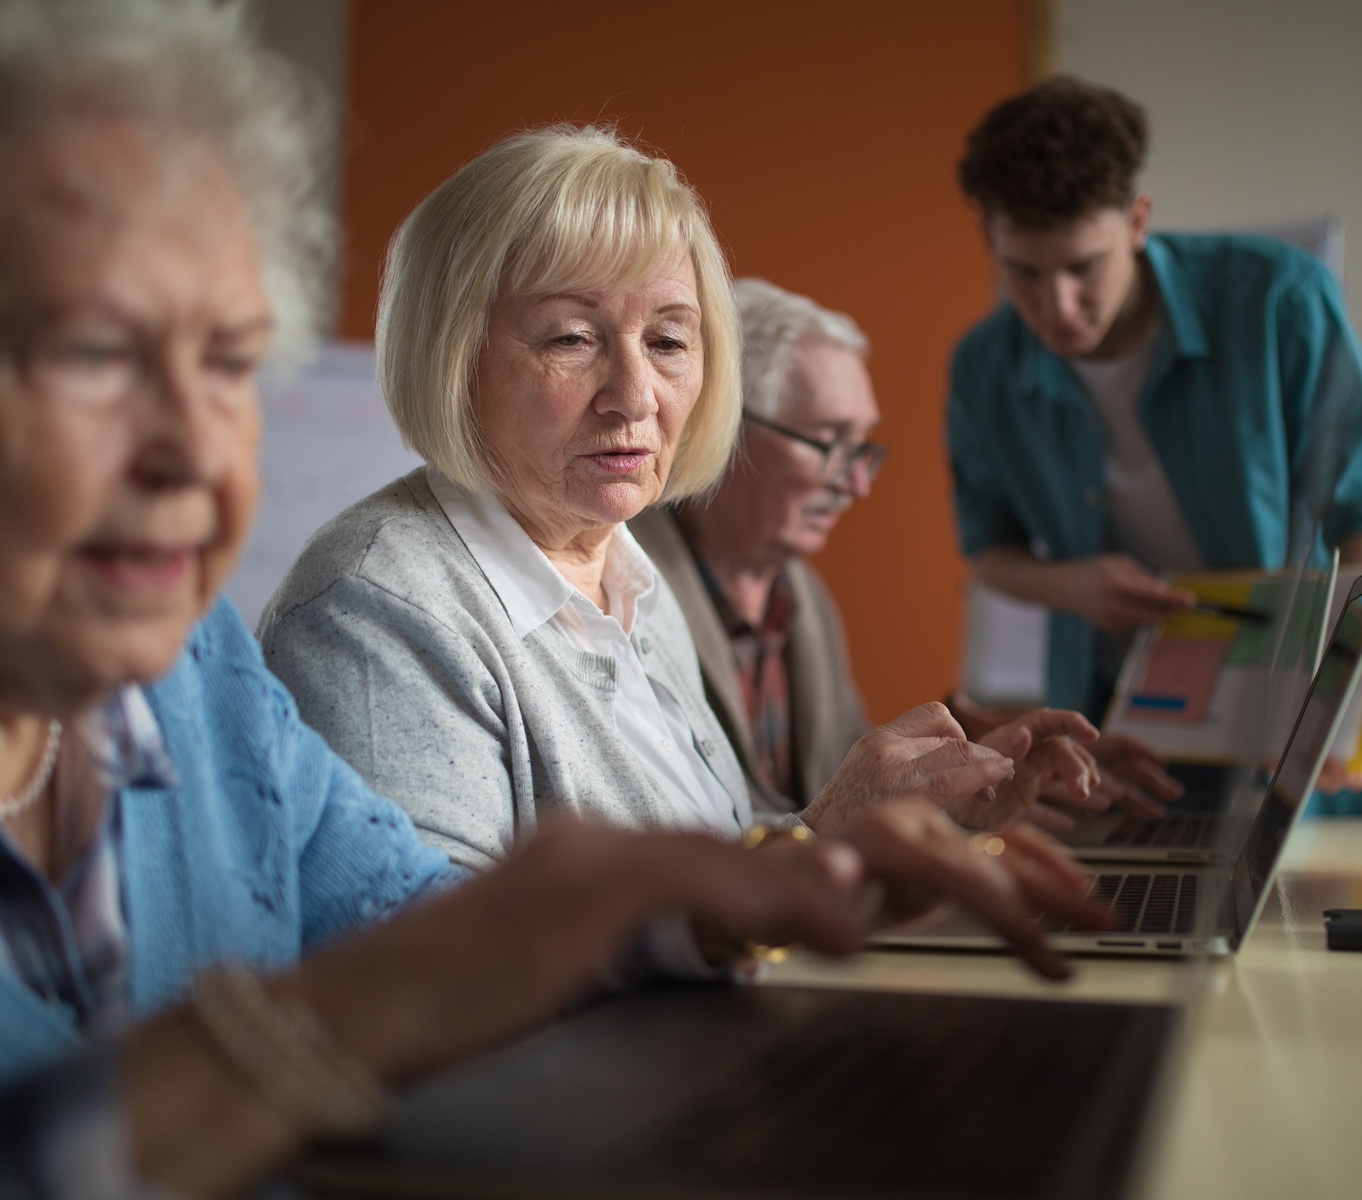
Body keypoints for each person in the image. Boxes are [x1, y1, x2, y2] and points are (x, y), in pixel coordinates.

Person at [0, 5, 1106, 1195]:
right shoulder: (370, 605)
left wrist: (758, 890)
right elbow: (409, 992)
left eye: (227, 361)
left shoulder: (191, 671)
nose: (195, 455)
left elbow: (452, 935)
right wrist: (321, 1034)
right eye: (92, 353)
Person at [258, 125, 1122, 873]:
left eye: (669, 340)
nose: (636, 394)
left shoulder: (626, 574)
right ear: (453, 356)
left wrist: (907, 821)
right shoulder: (376, 608)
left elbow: (715, 866)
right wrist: (819, 843)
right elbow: (436, 976)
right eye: (572, 337)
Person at [946, 78, 1362, 815]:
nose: (1058, 307)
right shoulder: (984, 366)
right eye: (1024, 272)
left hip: (1306, 695)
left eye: (1084, 267)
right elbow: (989, 549)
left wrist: (1354, 668)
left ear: (1138, 222)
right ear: (990, 239)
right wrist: (1071, 585)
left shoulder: (1276, 298)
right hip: (1136, 733)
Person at [631, 278, 1183, 821]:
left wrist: (979, 766)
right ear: (722, 427)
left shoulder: (802, 594)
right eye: (829, 443)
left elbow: (839, 789)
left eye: (862, 447)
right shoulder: (619, 591)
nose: (856, 485)